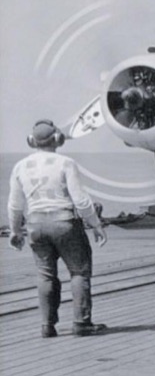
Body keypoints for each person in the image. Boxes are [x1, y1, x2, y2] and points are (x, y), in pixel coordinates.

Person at [7, 119, 108, 338]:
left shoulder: (20, 166)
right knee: (79, 272)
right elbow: (81, 201)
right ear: (58, 139)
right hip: (64, 223)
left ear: (31, 141)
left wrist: (15, 231)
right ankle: (81, 324)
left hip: (35, 225)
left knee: (45, 275)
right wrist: (96, 224)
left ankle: (47, 326)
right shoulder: (66, 163)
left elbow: (15, 205)